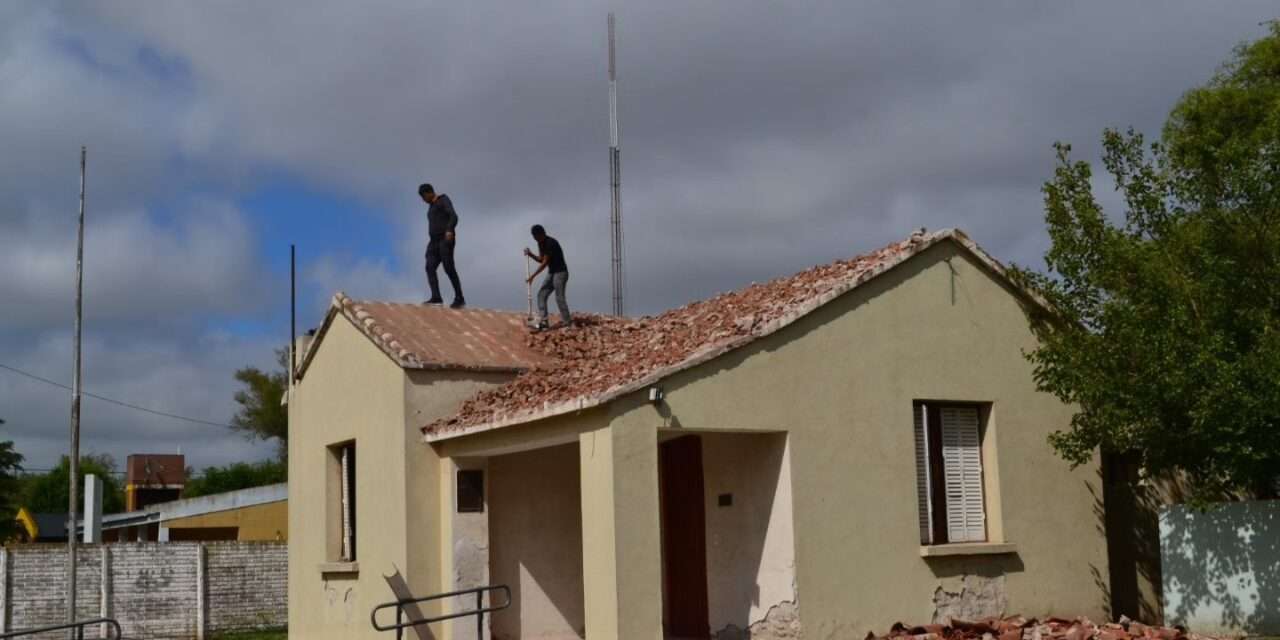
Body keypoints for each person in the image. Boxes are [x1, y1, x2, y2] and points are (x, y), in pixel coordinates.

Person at [419, 183, 465, 308]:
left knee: (448, 268)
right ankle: (436, 298)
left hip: (445, 239)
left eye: (424, 198)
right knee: (429, 266)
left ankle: (459, 298)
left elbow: (454, 216)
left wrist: (450, 230)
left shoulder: (443, 200)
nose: (423, 201)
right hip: (433, 242)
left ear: (429, 193)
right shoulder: (431, 207)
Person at [524, 224, 571, 330]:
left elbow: (544, 263)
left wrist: (533, 276)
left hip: (560, 273)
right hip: (552, 272)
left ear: (541, 234)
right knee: (541, 294)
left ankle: (567, 322)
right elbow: (541, 259)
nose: (534, 239)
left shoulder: (550, 243)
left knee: (559, 298)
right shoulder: (540, 244)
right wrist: (530, 254)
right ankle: (544, 321)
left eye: (535, 236)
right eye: (533, 237)